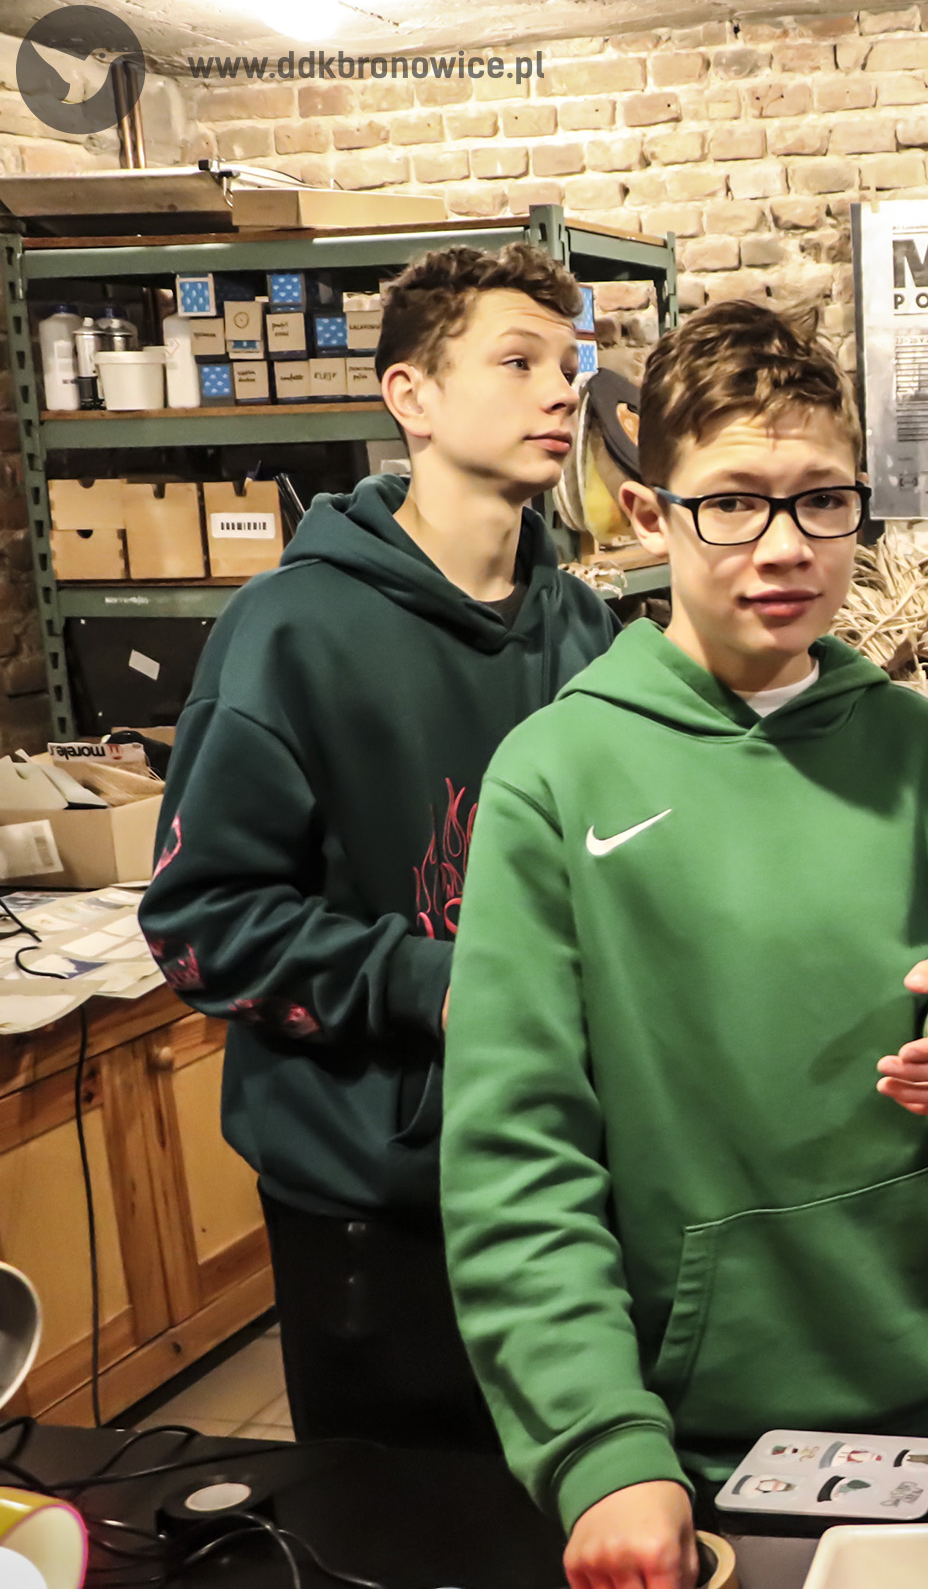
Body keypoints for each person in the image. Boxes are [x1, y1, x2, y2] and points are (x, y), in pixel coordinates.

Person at [440, 299, 928, 1589]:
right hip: (711, 1425)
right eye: (732, 502)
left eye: (822, 500)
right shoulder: (557, 772)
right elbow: (516, 1153)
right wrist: (602, 1444)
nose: (784, 546)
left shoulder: (922, 748)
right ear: (650, 515)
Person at [139, 242, 617, 1450]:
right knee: (399, 1522)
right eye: (518, 362)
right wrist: (440, 984)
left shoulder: (584, 627)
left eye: (568, 366)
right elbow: (201, 925)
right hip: (376, 1203)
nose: (562, 391)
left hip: (565, 1170)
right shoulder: (288, 631)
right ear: (412, 395)